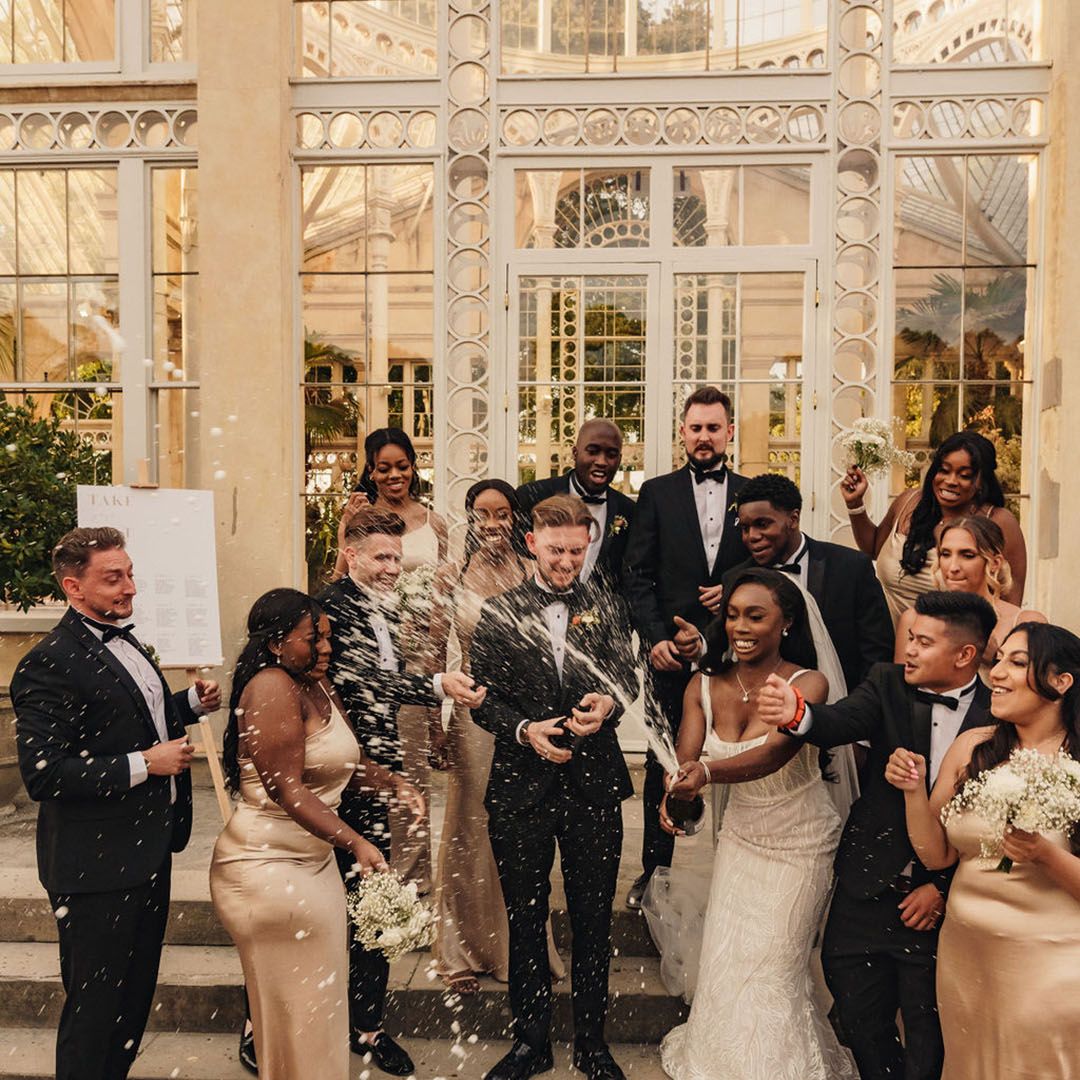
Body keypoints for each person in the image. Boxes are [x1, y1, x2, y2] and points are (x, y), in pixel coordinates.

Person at [758, 590, 997, 1080]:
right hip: (867, 888)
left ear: (964, 655)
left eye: (924, 642)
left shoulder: (998, 716)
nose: (909, 649)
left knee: (928, 1033)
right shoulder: (887, 682)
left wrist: (942, 888)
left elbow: (994, 827)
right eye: (911, 637)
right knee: (857, 1013)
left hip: (941, 905)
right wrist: (798, 713)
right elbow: (840, 721)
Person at [11, 527, 221, 1080]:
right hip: (94, 866)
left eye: (129, 574)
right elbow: (44, 773)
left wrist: (188, 704)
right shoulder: (48, 662)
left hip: (148, 852)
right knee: (94, 1011)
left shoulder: (126, 639)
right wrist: (145, 763)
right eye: (113, 578)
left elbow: (128, 718)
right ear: (73, 587)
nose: (130, 587)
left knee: (131, 1004)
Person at [652, 568, 855, 1080]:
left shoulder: (807, 683)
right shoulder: (702, 685)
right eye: (733, 615)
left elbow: (773, 755)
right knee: (728, 958)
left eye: (756, 616)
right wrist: (677, 794)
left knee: (775, 964)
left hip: (802, 843)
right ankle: (719, 1063)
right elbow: (686, 758)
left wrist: (705, 773)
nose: (740, 627)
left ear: (786, 623)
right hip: (741, 838)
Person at [470, 494, 639, 1080]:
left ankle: (592, 1045)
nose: (566, 562)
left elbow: (628, 680)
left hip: (594, 787)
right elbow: (482, 699)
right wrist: (524, 730)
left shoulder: (608, 605)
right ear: (532, 544)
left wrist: (609, 705)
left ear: (588, 546)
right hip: (520, 789)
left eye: (576, 551)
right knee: (524, 917)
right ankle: (530, 1044)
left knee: (594, 919)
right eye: (555, 550)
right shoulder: (499, 611)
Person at [211, 589, 402, 1080]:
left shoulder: (316, 683)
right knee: (300, 1014)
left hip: (312, 862)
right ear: (276, 643)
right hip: (267, 865)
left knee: (318, 1007)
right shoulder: (271, 687)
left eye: (327, 637)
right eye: (313, 638)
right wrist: (356, 841)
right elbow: (287, 789)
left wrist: (393, 782)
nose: (326, 647)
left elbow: (341, 763)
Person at [319, 507, 484, 1074]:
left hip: (374, 772)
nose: (393, 567)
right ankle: (277, 1019)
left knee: (371, 898)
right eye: (381, 557)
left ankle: (366, 1025)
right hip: (336, 775)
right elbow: (361, 680)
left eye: (396, 556)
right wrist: (436, 684)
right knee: (327, 904)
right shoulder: (335, 608)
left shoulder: (383, 605)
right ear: (351, 556)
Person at [885, 621, 1080, 1080]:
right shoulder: (973, 747)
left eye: (1017, 662)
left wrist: (1044, 853)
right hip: (967, 957)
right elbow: (937, 856)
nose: (997, 673)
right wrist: (913, 791)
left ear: (1060, 681)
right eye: (998, 661)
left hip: (1051, 959)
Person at [430, 480, 566, 994]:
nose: (492, 523)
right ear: (469, 519)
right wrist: (435, 723)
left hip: (525, 719)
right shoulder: (451, 576)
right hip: (471, 717)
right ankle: (461, 948)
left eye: (502, 513)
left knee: (521, 830)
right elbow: (432, 651)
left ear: (516, 519)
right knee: (469, 828)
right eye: (482, 514)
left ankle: (518, 948)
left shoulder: (534, 572)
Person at [623, 385, 750, 907]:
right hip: (670, 657)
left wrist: (735, 587)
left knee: (744, 759)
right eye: (695, 428)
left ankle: (741, 876)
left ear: (729, 432)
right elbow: (636, 575)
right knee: (665, 762)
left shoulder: (752, 493)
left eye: (713, 428)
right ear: (682, 432)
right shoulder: (656, 493)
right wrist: (655, 638)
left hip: (739, 656)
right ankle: (654, 874)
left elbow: (770, 563)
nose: (704, 436)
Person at [335, 426, 449, 893]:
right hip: (369, 654)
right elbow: (339, 583)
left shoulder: (435, 522)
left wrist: (438, 670)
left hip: (417, 656)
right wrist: (345, 525)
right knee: (372, 763)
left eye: (402, 465)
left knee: (412, 768)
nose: (394, 475)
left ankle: (414, 878)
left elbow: (445, 598)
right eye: (384, 468)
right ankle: (373, 869)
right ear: (371, 470)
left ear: (413, 467)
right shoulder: (358, 517)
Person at [675, 472, 892, 696]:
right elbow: (727, 642)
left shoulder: (850, 568)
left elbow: (878, 652)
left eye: (762, 524)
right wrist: (699, 645)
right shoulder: (736, 578)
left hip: (840, 705)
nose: (752, 536)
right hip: (765, 705)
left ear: (793, 519)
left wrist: (860, 708)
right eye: (745, 528)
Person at [841, 429, 1027, 625]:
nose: (950, 481)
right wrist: (855, 504)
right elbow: (873, 548)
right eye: (944, 470)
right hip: (882, 638)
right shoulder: (908, 501)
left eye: (964, 475)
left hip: (951, 640)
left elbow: (1010, 604)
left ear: (982, 481)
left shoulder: (999, 521)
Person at [894, 516, 1046, 679]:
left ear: (995, 563)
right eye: (945, 554)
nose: (953, 567)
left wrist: (996, 658)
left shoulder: (1025, 622)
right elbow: (900, 688)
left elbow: (1038, 688)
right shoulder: (913, 619)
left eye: (967, 555)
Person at [516, 418, 635, 591]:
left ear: (619, 459)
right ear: (575, 453)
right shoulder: (532, 495)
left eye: (611, 454)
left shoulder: (629, 511)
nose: (601, 461)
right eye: (593, 451)